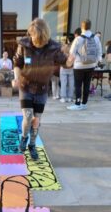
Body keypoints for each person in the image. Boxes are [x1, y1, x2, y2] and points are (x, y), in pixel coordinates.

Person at [12, 18, 72, 160]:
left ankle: (32, 145)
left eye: (37, 37)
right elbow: (17, 63)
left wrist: (71, 61)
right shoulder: (24, 45)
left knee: (37, 119)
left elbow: (66, 63)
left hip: (42, 89)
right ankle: (24, 137)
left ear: (44, 36)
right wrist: (16, 77)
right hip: (25, 86)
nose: (34, 40)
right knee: (28, 116)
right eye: (32, 36)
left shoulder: (53, 48)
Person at [67, 19, 102, 110]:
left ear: (82, 27)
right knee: (87, 84)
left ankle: (77, 103)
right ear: (90, 26)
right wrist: (98, 61)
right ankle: (84, 103)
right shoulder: (96, 38)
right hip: (91, 65)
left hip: (79, 65)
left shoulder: (78, 39)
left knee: (78, 85)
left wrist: (69, 62)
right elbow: (99, 51)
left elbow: (72, 53)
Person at [60, 34, 75, 102]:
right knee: (71, 83)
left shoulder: (64, 47)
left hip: (63, 66)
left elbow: (59, 54)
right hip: (72, 66)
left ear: (68, 39)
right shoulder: (74, 47)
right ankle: (70, 97)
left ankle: (63, 98)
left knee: (63, 82)